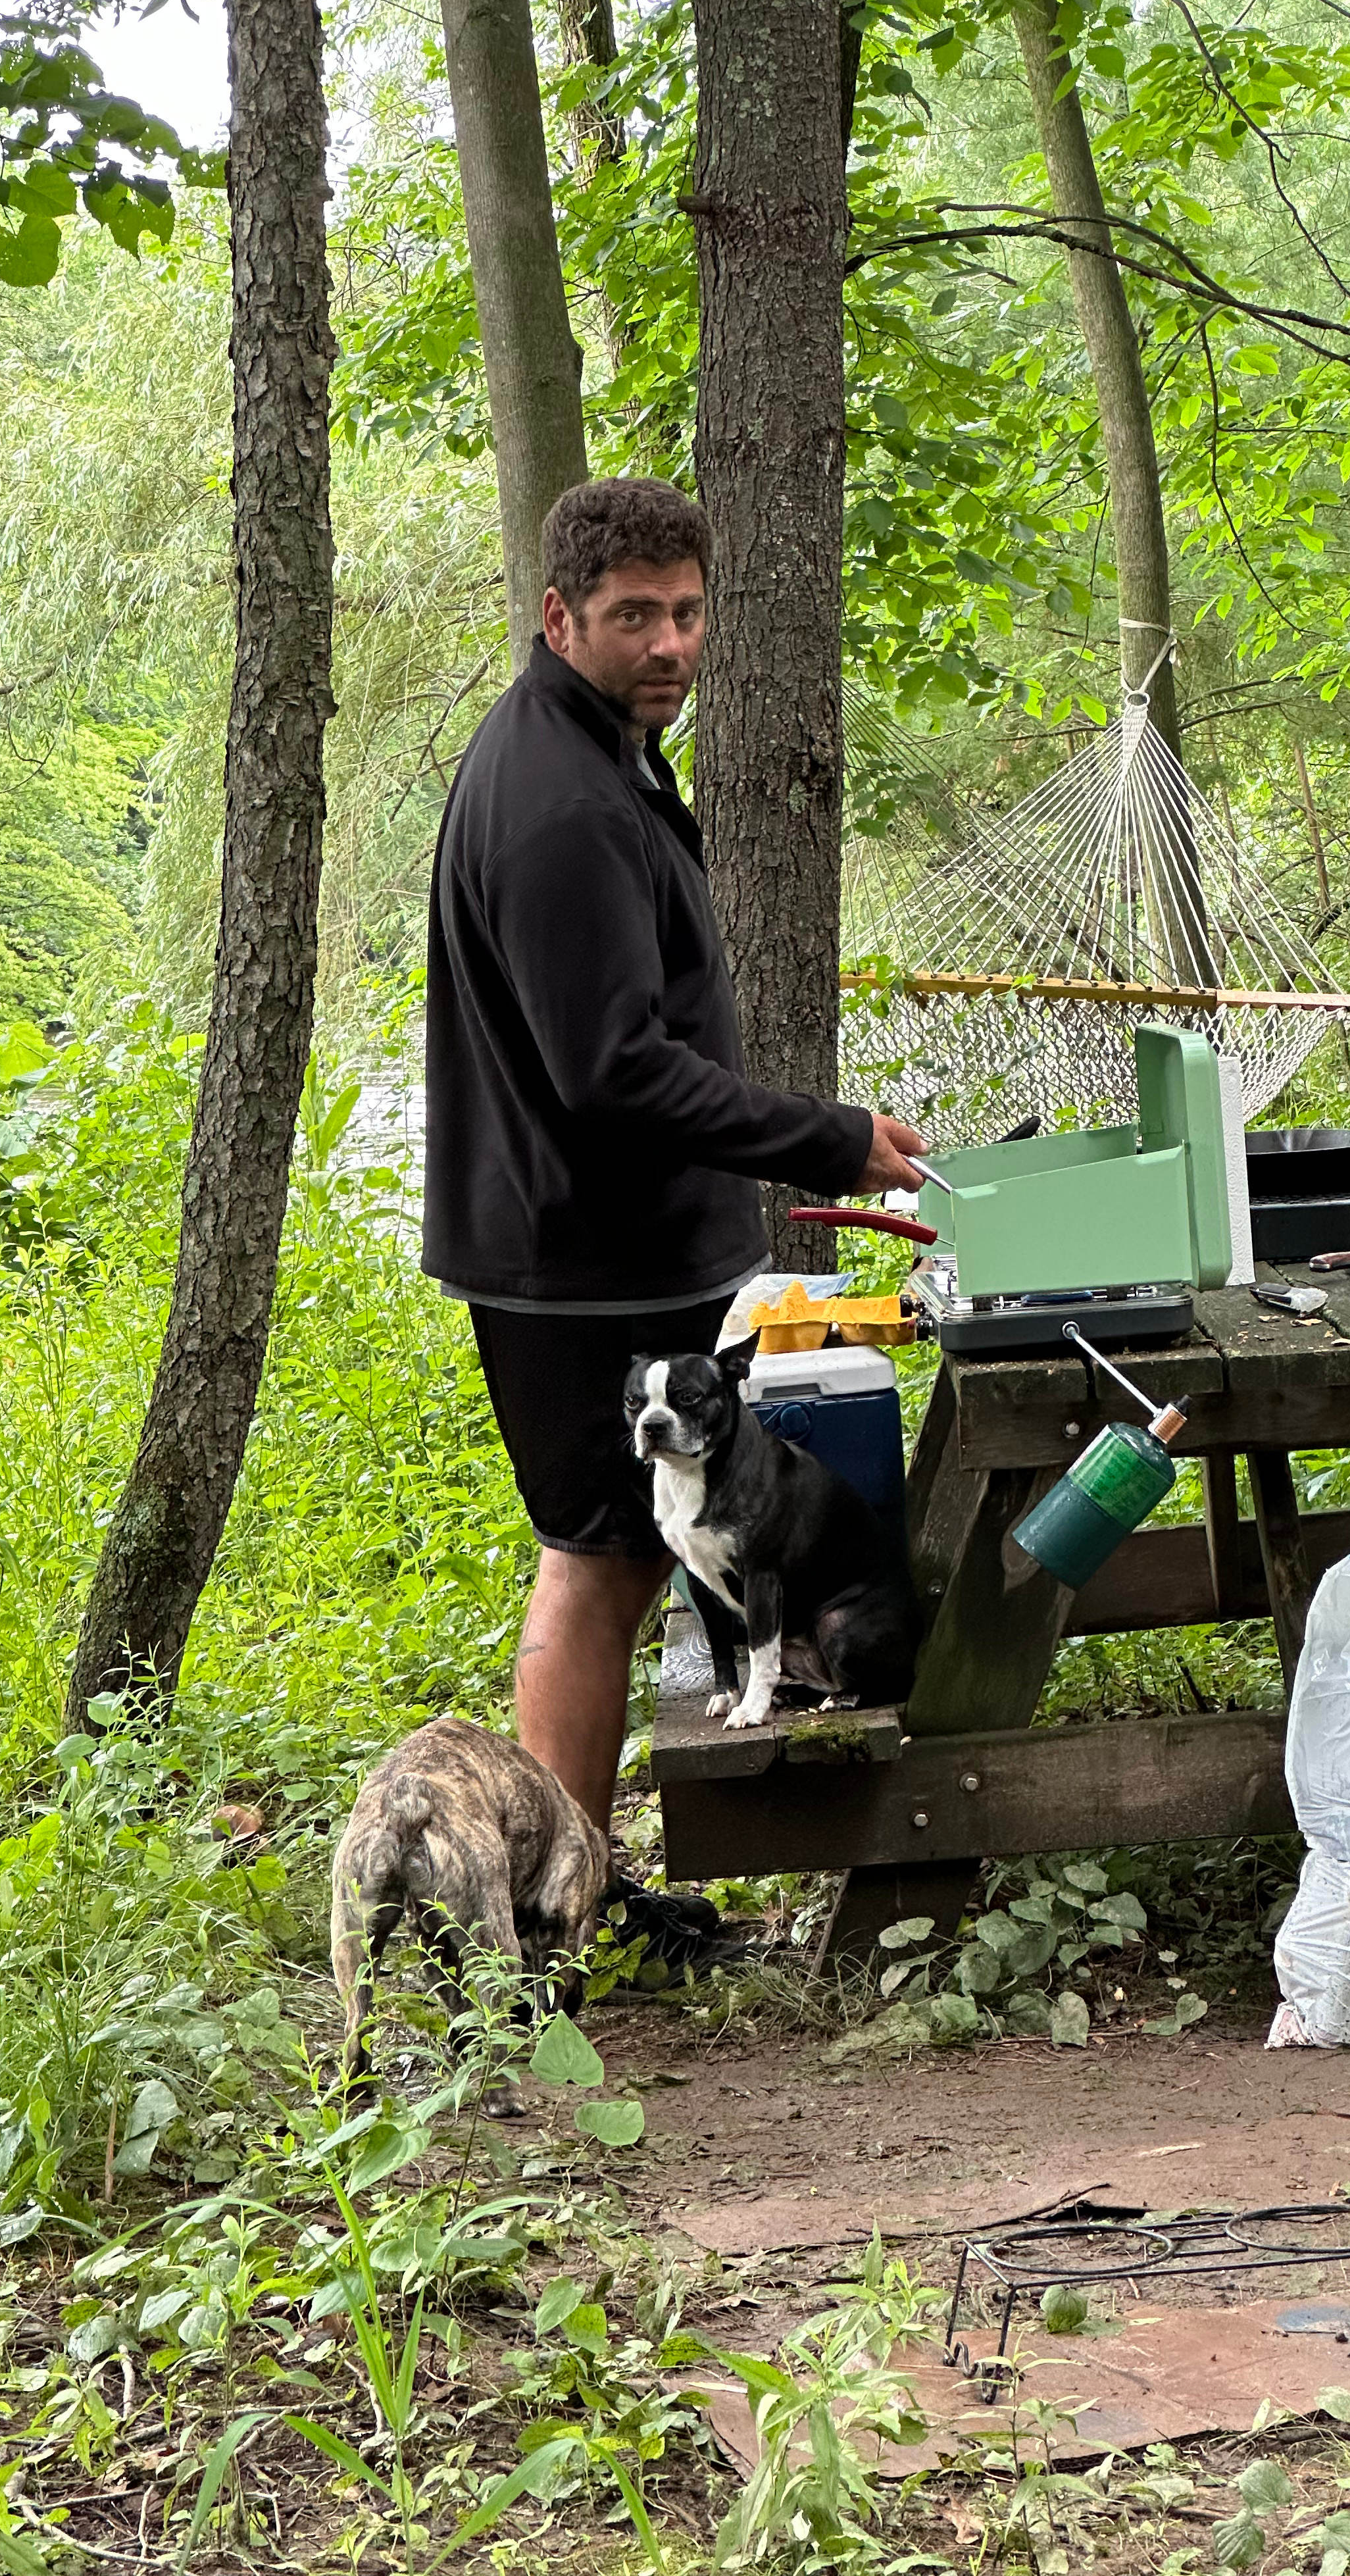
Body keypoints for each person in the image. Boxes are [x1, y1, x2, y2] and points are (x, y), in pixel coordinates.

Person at [423, 476, 928, 1936]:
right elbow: (613, 1071)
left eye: (689, 613)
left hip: (612, 1240)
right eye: (634, 615)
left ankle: (570, 1891)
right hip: (577, 1255)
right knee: (600, 1562)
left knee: (624, 1553)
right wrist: (826, 1140)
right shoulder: (560, 804)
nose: (669, 644)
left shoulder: (599, 747)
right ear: (558, 616)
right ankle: (546, 1924)